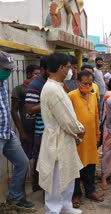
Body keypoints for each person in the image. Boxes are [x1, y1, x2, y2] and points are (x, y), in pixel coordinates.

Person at [37, 52, 85, 214]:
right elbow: (65, 119)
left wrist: (76, 128)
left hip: (65, 138)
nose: (71, 71)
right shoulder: (52, 89)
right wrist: (79, 130)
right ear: (61, 68)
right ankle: (53, 210)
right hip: (57, 139)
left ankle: (66, 207)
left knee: (68, 174)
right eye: (69, 67)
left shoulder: (57, 87)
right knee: (56, 178)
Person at [0, 51, 35, 211]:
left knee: (22, 162)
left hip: (7, 133)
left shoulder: (3, 84)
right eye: (5, 69)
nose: (8, 72)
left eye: (10, 69)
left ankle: (13, 198)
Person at [68, 71, 104, 208]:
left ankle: (90, 191)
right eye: (85, 84)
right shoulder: (71, 96)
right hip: (77, 138)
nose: (87, 86)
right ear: (78, 83)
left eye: (90, 84)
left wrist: (97, 134)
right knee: (76, 166)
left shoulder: (93, 95)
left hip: (90, 137)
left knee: (90, 165)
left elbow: (96, 116)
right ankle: (75, 195)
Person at [11, 64, 40, 191]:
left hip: (38, 130)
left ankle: (36, 185)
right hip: (26, 131)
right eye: (35, 74)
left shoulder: (40, 88)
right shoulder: (19, 89)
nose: (38, 77)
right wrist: (21, 132)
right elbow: (14, 111)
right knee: (23, 161)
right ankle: (20, 189)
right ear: (28, 74)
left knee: (39, 159)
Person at [25, 56, 49, 192]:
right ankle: (40, 189)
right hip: (42, 130)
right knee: (42, 162)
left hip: (51, 130)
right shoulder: (35, 84)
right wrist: (49, 101)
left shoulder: (52, 82)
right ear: (43, 69)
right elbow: (30, 109)